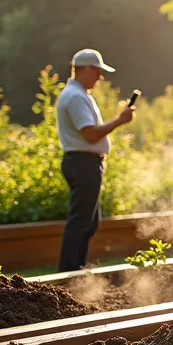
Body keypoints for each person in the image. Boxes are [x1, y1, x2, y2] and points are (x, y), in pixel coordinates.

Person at [56, 49, 135, 272]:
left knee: (88, 223)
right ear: (87, 69)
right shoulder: (75, 97)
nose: (100, 77)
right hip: (83, 164)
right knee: (81, 222)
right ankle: (68, 272)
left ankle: (76, 268)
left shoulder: (79, 94)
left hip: (84, 163)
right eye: (98, 71)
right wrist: (119, 121)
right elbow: (90, 134)